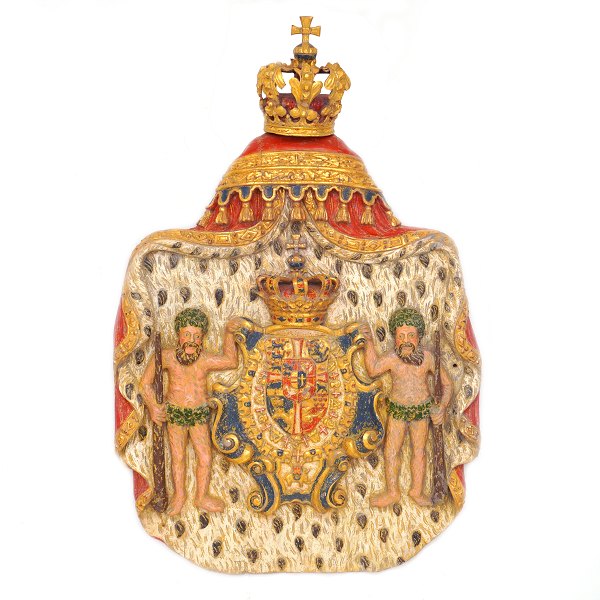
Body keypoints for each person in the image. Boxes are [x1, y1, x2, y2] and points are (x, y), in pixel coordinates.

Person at [141, 308, 243, 515]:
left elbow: (231, 361)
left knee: (204, 457)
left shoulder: (204, 359)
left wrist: (229, 333)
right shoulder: (166, 357)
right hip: (175, 414)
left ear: (202, 338)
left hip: (198, 414)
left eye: (197, 336)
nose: (192, 340)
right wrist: (153, 406)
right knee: (178, 457)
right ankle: (179, 495)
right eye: (187, 334)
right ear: (178, 335)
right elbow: (145, 384)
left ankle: (201, 496)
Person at [359, 308, 451, 507]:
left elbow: (447, 384)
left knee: (419, 451)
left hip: (421, 411)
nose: (406, 340)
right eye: (401, 336)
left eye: (411, 335)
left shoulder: (428, 358)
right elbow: (373, 369)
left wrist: (442, 406)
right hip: (397, 410)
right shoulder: (392, 358)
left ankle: (416, 491)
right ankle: (392, 492)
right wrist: (369, 343)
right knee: (391, 451)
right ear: (395, 338)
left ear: (419, 337)